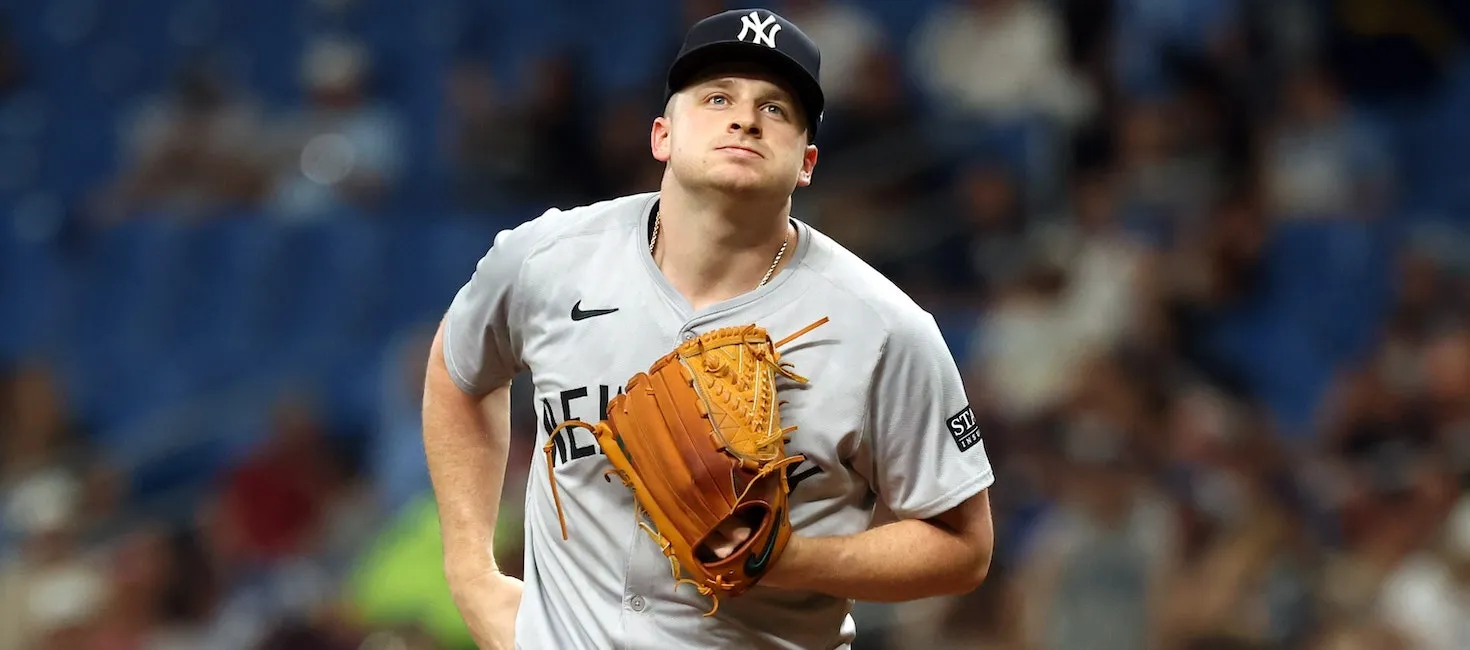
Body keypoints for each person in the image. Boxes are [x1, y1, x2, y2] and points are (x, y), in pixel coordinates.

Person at [421, 8, 996, 649]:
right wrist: (470, 573)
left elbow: (963, 548)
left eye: (775, 108)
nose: (745, 118)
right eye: (717, 97)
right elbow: (457, 366)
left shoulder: (883, 328)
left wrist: (786, 559)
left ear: (806, 162)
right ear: (662, 136)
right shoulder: (548, 259)